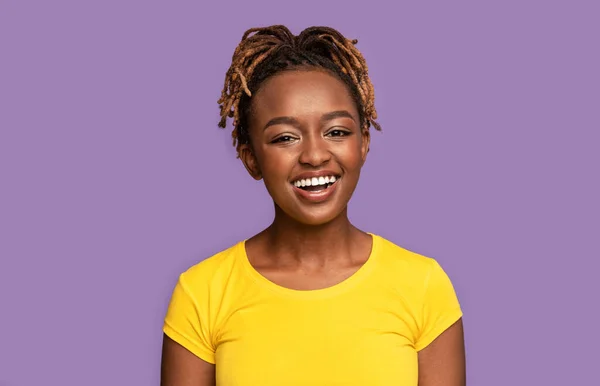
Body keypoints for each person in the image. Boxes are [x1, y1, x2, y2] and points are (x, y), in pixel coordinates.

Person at [160, 25, 465, 386]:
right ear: (250, 158)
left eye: (336, 131)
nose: (315, 155)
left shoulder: (423, 286)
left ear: (363, 143)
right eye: (285, 137)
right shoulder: (203, 293)